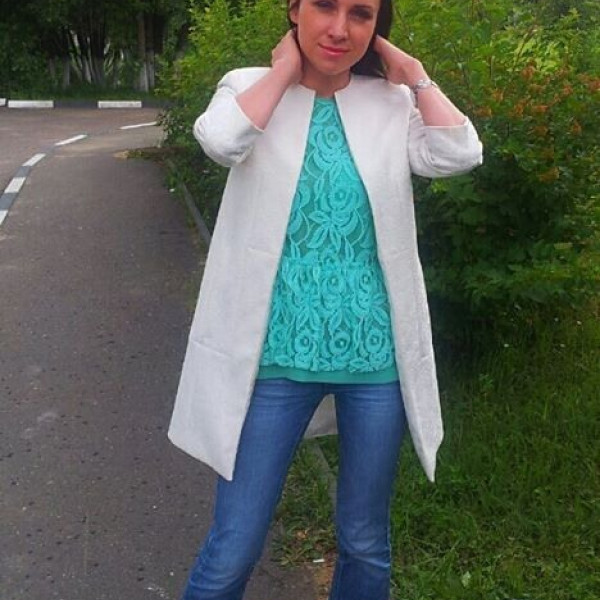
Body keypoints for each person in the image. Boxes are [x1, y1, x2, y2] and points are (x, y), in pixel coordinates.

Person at [168, 0, 483, 597]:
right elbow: (221, 141)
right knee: (234, 546)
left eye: (361, 14)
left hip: (375, 361)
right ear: (294, 9)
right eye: (325, 7)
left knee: (365, 542)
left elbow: (458, 153)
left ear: (377, 28)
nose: (340, 28)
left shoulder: (389, 103)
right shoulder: (248, 87)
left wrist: (414, 74)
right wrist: (285, 71)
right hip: (272, 358)